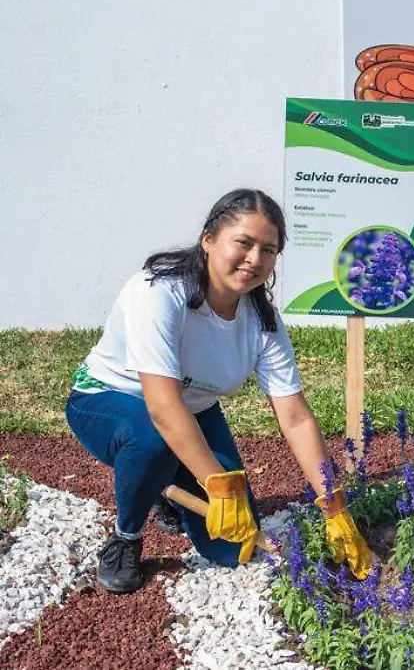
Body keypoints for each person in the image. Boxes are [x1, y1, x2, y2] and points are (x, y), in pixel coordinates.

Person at [65, 188, 372, 593]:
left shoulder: (262, 321)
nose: (254, 259)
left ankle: (158, 482)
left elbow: (296, 418)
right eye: (243, 243)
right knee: (153, 442)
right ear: (208, 239)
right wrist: (218, 484)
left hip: (190, 412)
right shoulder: (158, 292)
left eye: (268, 250)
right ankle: (126, 537)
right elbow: (161, 407)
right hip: (108, 402)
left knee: (232, 548)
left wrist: (334, 507)